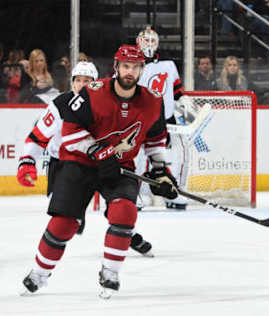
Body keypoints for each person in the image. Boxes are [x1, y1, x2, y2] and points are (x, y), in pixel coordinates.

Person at [19, 45, 178, 298]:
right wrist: (98, 151)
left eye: (135, 67)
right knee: (64, 224)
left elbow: (155, 141)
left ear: (141, 70)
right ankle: (39, 272)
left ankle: (110, 272)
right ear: (116, 67)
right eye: (126, 66)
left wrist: (161, 172)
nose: (130, 72)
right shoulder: (92, 94)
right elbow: (70, 133)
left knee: (125, 212)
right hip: (80, 163)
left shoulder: (152, 101)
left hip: (119, 167)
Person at [17, 60, 154, 256]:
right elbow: (38, 136)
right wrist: (27, 161)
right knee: (67, 218)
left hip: (101, 161)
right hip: (67, 165)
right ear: (72, 82)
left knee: (119, 205)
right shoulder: (60, 104)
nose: (82, 84)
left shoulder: (106, 103)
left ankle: (127, 234)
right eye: (78, 80)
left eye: (88, 80)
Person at [136, 26, 197, 210]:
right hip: (142, 118)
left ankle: (176, 191)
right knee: (139, 155)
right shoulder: (132, 65)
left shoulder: (168, 64)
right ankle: (138, 192)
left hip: (167, 118)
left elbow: (177, 90)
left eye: (152, 41)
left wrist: (184, 100)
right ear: (138, 42)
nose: (149, 44)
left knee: (184, 149)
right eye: (146, 40)